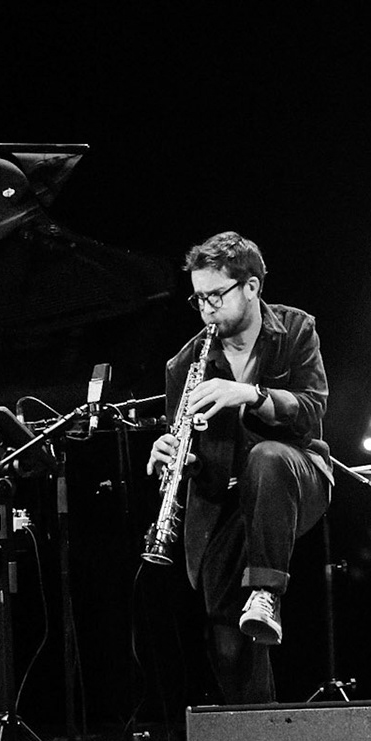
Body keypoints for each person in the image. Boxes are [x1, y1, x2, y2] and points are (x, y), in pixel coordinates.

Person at [146, 232, 332, 704]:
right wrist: (174, 455)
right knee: (228, 641)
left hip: (295, 474)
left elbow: (311, 411)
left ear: (251, 287)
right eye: (199, 298)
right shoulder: (185, 364)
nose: (207, 309)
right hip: (222, 499)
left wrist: (251, 394)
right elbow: (188, 452)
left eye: (216, 296)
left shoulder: (295, 329)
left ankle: (266, 592)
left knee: (264, 457)